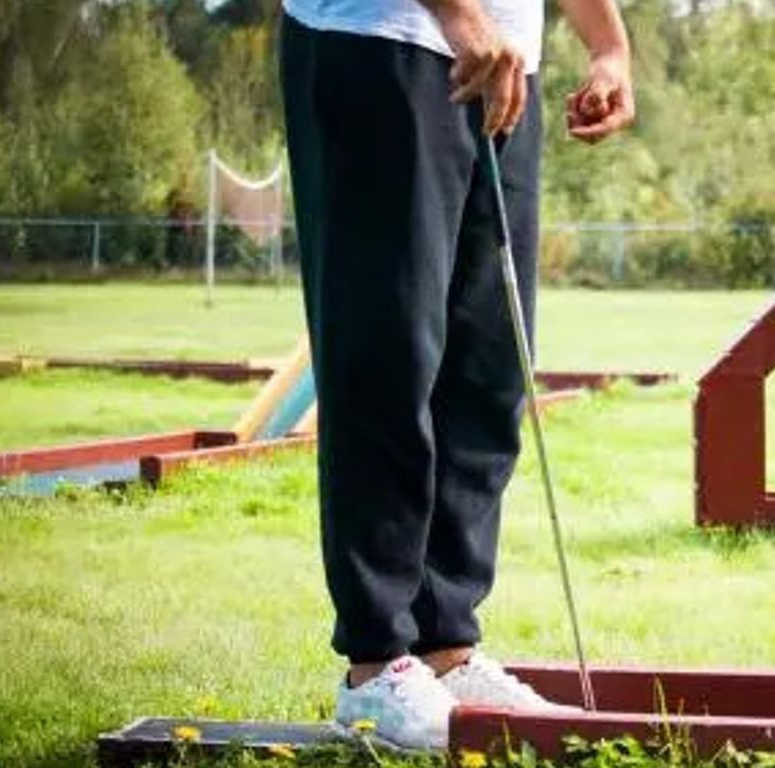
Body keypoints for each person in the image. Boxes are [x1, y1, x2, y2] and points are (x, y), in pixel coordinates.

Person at [279, 0, 634, 750]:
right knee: (387, 360)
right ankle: (376, 667)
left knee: (487, 371)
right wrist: (463, 19)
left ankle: (445, 648)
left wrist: (608, 46)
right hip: (382, 42)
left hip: (504, 62)